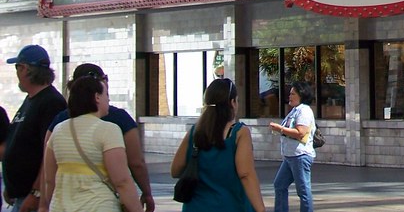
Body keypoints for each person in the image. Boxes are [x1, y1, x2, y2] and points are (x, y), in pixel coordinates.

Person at [46, 63, 156, 210]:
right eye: (106, 95)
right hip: (98, 205)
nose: (108, 100)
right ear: (97, 97)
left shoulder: (58, 130)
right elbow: (122, 181)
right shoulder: (108, 130)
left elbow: (49, 179)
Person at [170, 79, 266, 212]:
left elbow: (175, 170)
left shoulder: (195, 132)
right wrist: (260, 209)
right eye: (237, 101)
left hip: (195, 207)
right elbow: (246, 174)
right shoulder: (238, 133)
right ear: (232, 102)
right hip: (230, 205)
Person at [2, 45, 67, 212]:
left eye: (17, 68)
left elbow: (49, 153)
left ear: (24, 69)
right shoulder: (31, 100)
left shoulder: (51, 103)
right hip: (20, 194)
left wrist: (37, 193)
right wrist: (11, 187)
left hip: (33, 197)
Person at [268, 81, 316, 212]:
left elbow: (301, 133)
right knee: (279, 185)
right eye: (290, 93)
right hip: (290, 156)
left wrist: (280, 129)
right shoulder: (294, 110)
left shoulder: (304, 111)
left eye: (293, 94)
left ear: (301, 95)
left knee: (303, 190)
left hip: (300, 156)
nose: (290, 96)